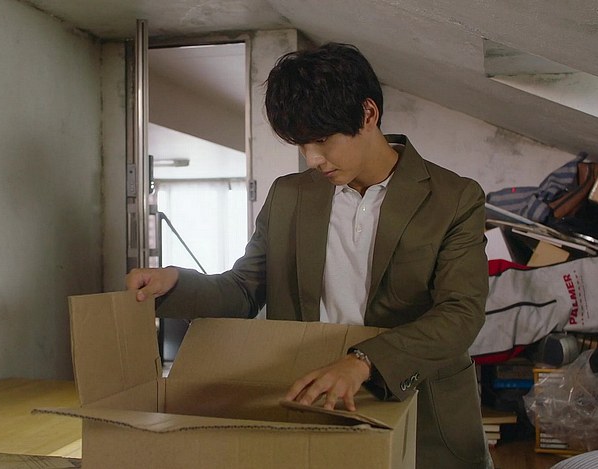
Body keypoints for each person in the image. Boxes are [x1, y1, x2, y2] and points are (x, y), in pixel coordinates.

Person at [126, 42, 491, 469]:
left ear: (368, 114)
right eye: (301, 145)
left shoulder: (454, 198)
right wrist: (175, 283)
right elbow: (244, 290)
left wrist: (364, 362)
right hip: (313, 403)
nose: (313, 159)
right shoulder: (289, 196)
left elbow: (461, 313)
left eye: (321, 140)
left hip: (423, 411)